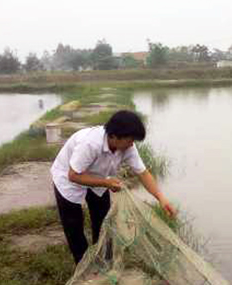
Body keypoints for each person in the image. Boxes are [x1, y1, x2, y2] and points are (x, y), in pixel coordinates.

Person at [51, 110, 176, 263]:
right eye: (130, 140)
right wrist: (105, 183)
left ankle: (104, 259)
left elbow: (143, 173)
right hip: (68, 178)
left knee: (104, 221)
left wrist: (161, 199)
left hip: (98, 177)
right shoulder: (90, 143)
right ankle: (82, 265)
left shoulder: (127, 146)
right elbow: (74, 175)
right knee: (74, 226)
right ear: (114, 136)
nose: (132, 144)